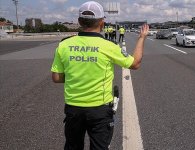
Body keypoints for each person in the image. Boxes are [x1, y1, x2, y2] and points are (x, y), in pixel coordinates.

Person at [50, 1, 149, 150]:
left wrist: (76, 76)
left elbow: (56, 77)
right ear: (102, 23)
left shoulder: (64, 45)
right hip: (99, 110)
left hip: (73, 109)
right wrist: (142, 38)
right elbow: (135, 64)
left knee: (72, 146)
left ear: (79, 22)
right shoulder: (109, 46)